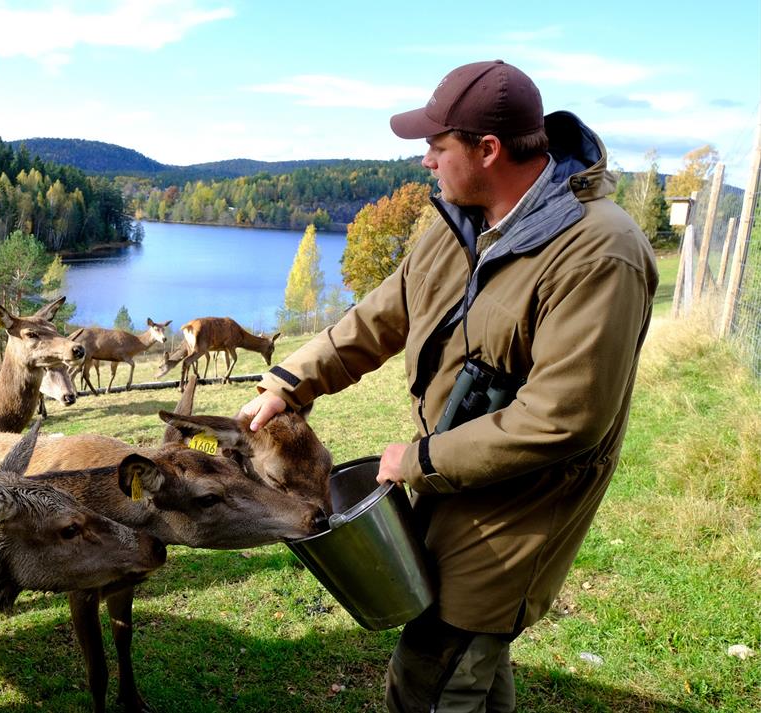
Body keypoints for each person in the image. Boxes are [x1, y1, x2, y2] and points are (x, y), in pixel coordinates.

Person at [240, 60, 658, 712]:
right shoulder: (458, 222)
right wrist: (290, 383)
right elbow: (384, 313)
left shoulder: (599, 252)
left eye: (437, 147)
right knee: (472, 670)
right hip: (454, 483)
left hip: (517, 516)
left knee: (430, 677)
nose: (426, 162)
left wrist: (421, 459)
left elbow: (565, 417)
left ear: (488, 150)